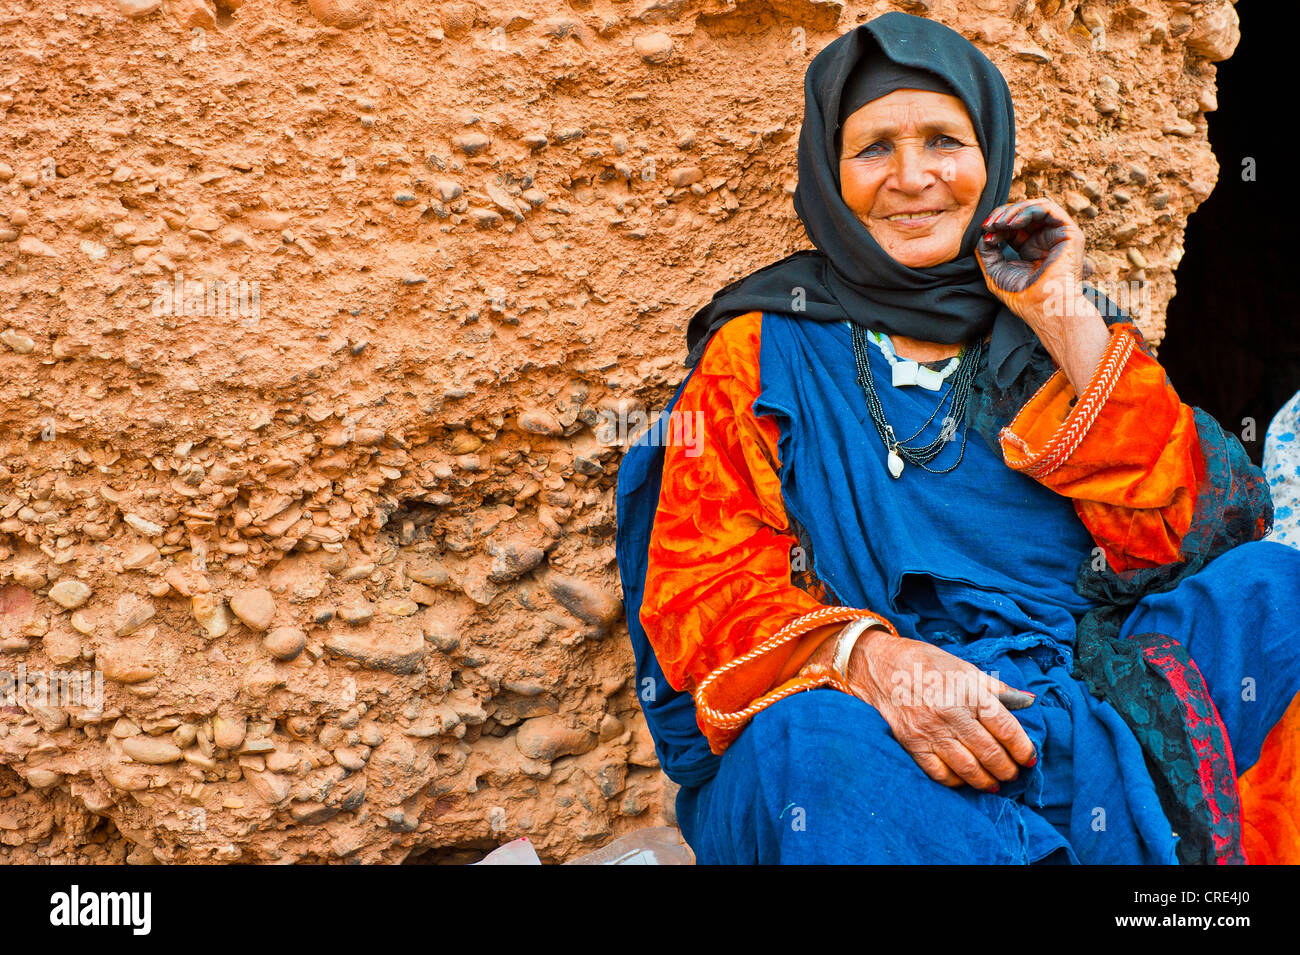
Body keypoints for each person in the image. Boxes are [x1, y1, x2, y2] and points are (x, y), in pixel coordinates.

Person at [614, 11, 1300, 864]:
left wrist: (1061, 310)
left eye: (944, 140)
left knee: (1278, 593)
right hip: (881, 732)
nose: (912, 177)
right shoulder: (763, 349)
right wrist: (876, 661)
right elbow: (699, 590)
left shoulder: (1044, 320)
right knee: (809, 751)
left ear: (990, 158)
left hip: (1083, 697)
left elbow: (1187, 533)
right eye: (872, 149)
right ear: (829, 173)